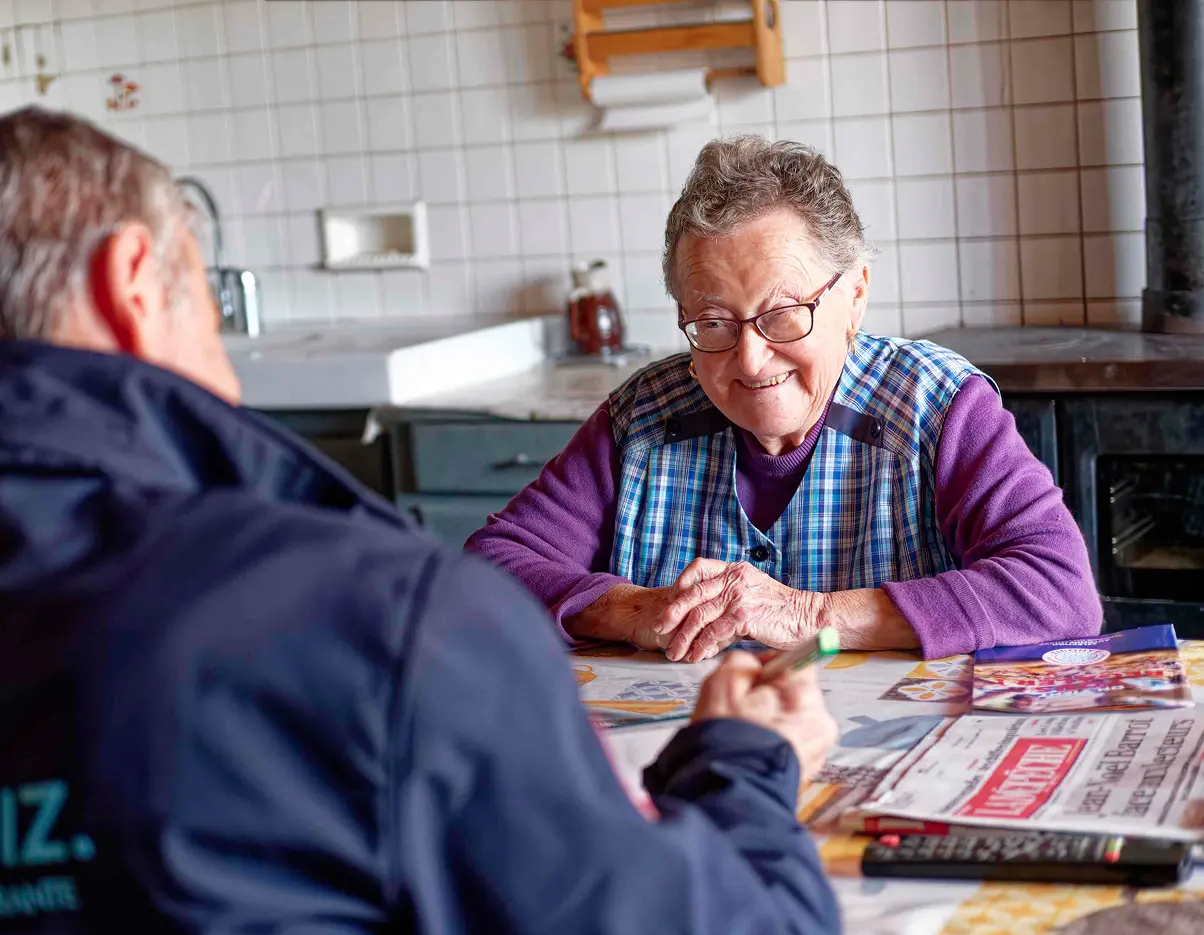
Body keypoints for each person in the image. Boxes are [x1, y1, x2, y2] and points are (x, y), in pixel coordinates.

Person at [0, 109, 844, 935]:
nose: (234, 377)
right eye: (206, 303)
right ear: (135, 282)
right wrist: (740, 762)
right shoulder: (383, 621)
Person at [467, 135, 1102, 663]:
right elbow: (489, 569)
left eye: (784, 313)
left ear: (854, 294)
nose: (749, 358)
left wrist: (814, 615)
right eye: (713, 323)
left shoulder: (935, 405)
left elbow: (1057, 592)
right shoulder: (642, 418)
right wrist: (634, 609)